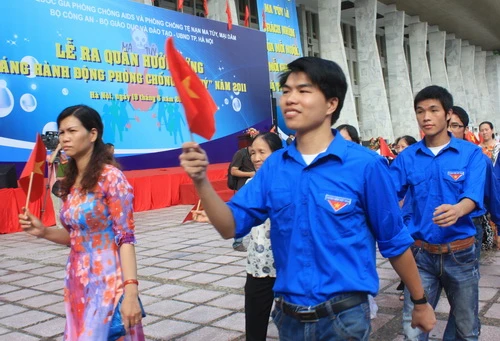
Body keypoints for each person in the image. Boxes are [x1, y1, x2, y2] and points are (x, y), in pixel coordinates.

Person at [179, 56, 435, 340]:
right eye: (286, 91)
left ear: (331, 103)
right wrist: (201, 181)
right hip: (289, 319)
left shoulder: (365, 166)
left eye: (303, 90)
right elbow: (229, 226)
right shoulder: (275, 167)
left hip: (343, 319)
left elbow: (394, 241)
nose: (290, 99)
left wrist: (420, 301)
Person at [19, 105, 145, 340]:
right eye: (61, 132)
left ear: (93, 134)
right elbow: (76, 238)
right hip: (77, 280)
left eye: (72, 131)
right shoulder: (70, 183)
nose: (64, 138)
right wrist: (44, 231)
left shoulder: (111, 178)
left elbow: (125, 238)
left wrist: (130, 292)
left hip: (108, 280)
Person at [390, 86, 486, 341]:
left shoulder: (471, 154)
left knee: (467, 328)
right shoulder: (407, 157)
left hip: (461, 254)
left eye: (433, 110)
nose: (426, 117)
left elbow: (473, 196)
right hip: (420, 256)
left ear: (448, 114)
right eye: (420, 111)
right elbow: (387, 196)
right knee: (413, 331)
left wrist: (458, 209)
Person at [244, 132, 283, 341]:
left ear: (277, 154)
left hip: (287, 265)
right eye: (253, 153)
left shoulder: (289, 182)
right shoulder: (251, 184)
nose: (256, 158)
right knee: (255, 323)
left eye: (262, 152)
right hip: (259, 265)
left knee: (293, 323)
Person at [229, 142, 256, 251]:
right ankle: (238, 242)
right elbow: (233, 171)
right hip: (243, 188)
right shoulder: (241, 154)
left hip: (255, 187)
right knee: (242, 215)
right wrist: (250, 174)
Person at [47, 142, 68, 228]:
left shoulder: (64, 157)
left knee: (64, 206)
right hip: (54, 186)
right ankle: (59, 226)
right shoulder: (49, 156)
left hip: (64, 185)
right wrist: (57, 149)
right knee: (57, 208)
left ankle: (66, 223)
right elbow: (51, 160)